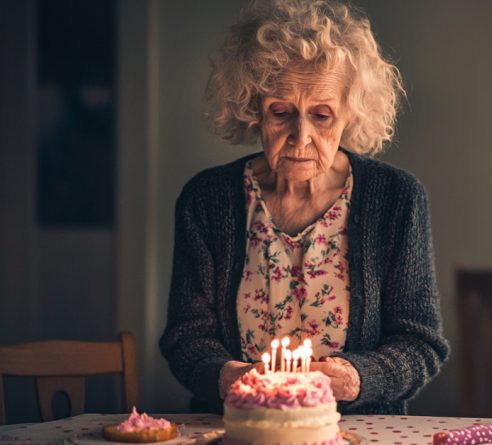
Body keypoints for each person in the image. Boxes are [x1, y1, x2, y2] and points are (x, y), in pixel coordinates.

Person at [159, 0, 449, 415]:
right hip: (239, 427)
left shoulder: (397, 199)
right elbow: (187, 336)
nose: (300, 136)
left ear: (350, 114)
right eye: (281, 112)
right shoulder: (207, 200)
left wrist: (357, 378)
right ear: (252, 107)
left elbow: (421, 343)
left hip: (357, 433)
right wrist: (224, 376)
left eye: (322, 115)